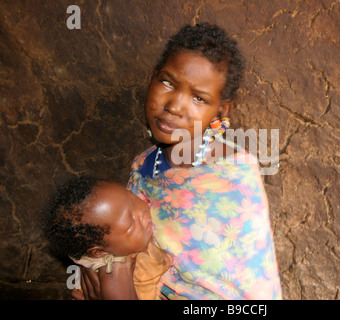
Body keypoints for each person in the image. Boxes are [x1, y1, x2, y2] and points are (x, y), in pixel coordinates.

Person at [78, 22, 282, 300]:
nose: (174, 106)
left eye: (199, 98)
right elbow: (125, 245)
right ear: (151, 77)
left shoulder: (235, 171)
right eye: (167, 82)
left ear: (221, 109)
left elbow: (250, 285)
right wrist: (101, 264)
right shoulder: (143, 167)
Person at [42, 176, 172, 300]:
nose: (141, 213)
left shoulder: (120, 242)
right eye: (130, 223)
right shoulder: (114, 274)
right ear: (100, 252)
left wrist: (161, 258)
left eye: (132, 198)